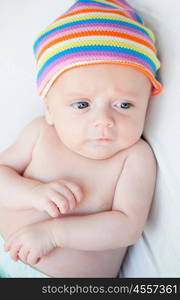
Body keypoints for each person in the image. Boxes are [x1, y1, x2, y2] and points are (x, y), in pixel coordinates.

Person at [0, 0, 162, 278]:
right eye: (82, 105)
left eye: (124, 105)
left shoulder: (134, 156)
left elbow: (128, 226)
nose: (104, 120)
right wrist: (33, 194)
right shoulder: (40, 132)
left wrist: (55, 233)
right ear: (49, 108)